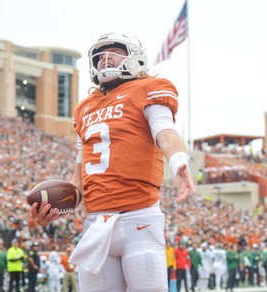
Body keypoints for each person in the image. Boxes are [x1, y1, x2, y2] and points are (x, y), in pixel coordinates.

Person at [29, 30, 195, 292]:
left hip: (138, 218)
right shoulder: (85, 108)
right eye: (99, 57)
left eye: (114, 52)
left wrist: (178, 160)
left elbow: (165, 132)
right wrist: (56, 208)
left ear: (135, 57)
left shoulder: (149, 88)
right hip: (96, 224)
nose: (105, 60)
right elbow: (80, 177)